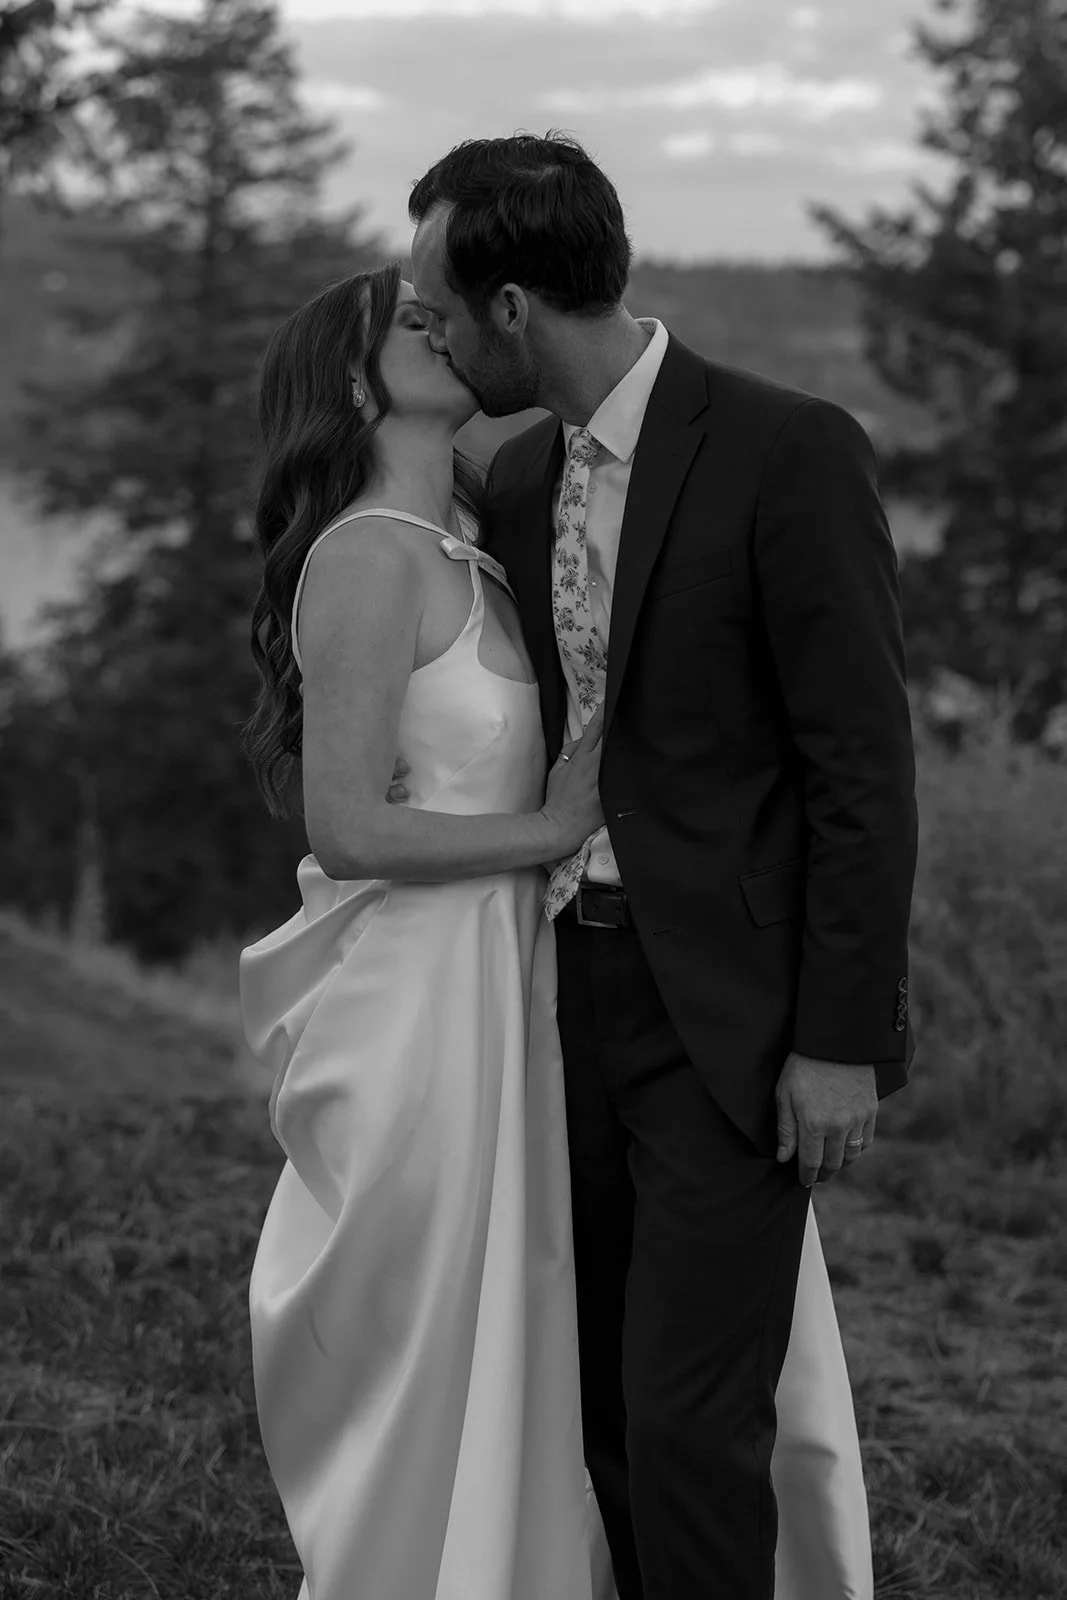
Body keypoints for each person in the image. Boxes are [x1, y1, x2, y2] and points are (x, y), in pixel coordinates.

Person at [405, 132, 918, 1600]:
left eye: (439, 302)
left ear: (513, 305)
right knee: (600, 1408)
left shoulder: (785, 446)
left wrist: (839, 1043)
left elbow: (860, 773)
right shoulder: (507, 481)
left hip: (732, 1024)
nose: (427, 329)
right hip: (557, 1002)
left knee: (692, 1418)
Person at [240, 262, 607, 1600]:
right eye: (409, 322)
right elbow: (348, 829)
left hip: (497, 986)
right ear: (352, 383)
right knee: (436, 1339)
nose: (441, 327)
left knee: (514, 1328)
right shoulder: (363, 558)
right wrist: (552, 827)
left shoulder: (469, 541)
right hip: (419, 1009)